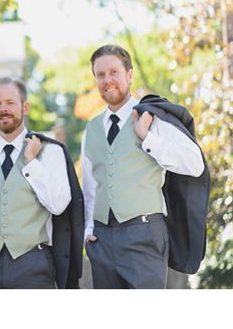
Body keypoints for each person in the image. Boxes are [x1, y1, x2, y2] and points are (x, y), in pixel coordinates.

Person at [82, 44, 205, 288]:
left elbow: (195, 164)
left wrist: (147, 138)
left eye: (114, 72)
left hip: (144, 233)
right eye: (100, 74)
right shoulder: (91, 129)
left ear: (129, 74)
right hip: (102, 239)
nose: (107, 80)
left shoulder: (153, 116)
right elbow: (91, 187)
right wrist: (88, 229)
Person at [0, 78, 76, 288]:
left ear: (25, 107)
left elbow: (58, 205)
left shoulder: (51, 152)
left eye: (10, 102)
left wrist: (31, 162)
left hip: (33, 265)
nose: (4, 109)